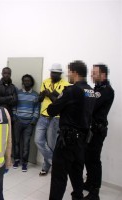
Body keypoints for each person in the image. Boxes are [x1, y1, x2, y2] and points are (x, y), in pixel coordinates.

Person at [47, 61, 96, 200]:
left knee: (59, 176)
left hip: (67, 141)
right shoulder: (91, 91)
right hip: (82, 140)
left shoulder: (71, 90)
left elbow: (52, 110)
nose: (68, 74)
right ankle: (78, 197)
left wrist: (56, 100)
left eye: (69, 71)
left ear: (75, 72)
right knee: (77, 172)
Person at [83, 64, 115, 200]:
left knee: (94, 160)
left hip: (98, 131)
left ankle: (95, 192)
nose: (92, 75)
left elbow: (91, 105)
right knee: (87, 158)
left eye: (95, 73)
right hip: (91, 129)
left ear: (103, 75)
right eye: (91, 73)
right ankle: (89, 183)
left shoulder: (106, 90)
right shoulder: (97, 89)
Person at [34, 63, 69, 176]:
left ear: (60, 74)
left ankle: (45, 166)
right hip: (44, 115)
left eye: (56, 73)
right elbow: (39, 99)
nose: (53, 74)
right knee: (38, 140)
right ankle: (55, 163)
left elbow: (60, 102)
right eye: (52, 72)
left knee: (51, 144)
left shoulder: (65, 84)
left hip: (56, 117)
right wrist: (43, 95)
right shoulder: (45, 81)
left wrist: (49, 95)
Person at [12, 74, 40, 172]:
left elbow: (37, 109)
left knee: (26, 144)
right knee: (16, 142)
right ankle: (16, 160)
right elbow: (14, 106)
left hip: (29, 124)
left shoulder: (36, 95)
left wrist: (33, 121)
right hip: (18, 122)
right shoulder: (18, 93)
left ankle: (24, 163)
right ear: (22, 82)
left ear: (31, 82)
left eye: (28, 81)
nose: (26, 82)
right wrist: (15, 117)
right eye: (25, 81)